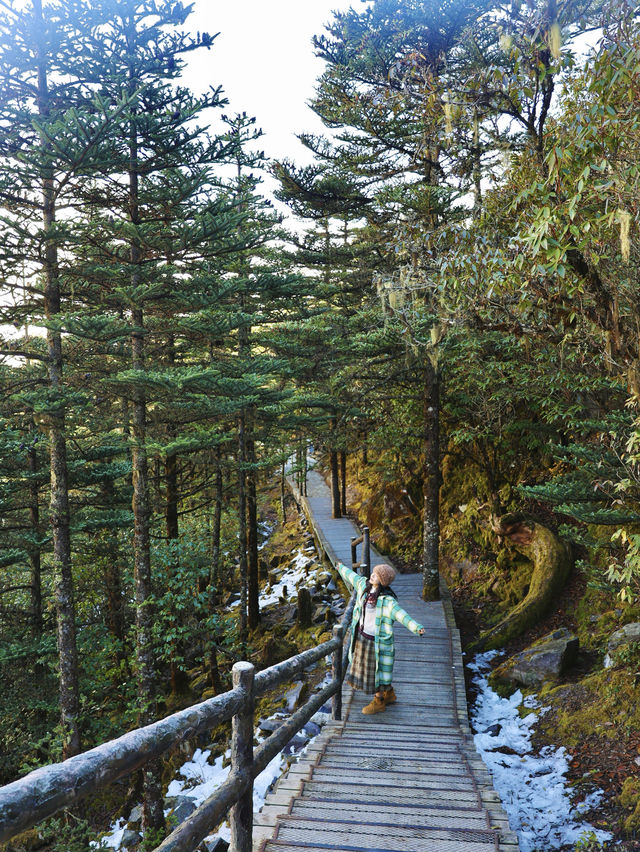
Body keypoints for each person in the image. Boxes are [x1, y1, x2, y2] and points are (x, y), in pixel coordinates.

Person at [336, 561, 425, 715]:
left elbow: (402, 615)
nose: (372, 575)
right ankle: (389, 693)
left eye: (376, 575)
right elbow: (352, 576)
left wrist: (416, 627)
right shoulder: (364, 586)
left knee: (378, 672)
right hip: (361, 637)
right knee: (371, 670)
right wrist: (340, 567)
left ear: (383, 581)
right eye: (373, 572)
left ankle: (379, 702)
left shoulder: (387, 601)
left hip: (376, 642)